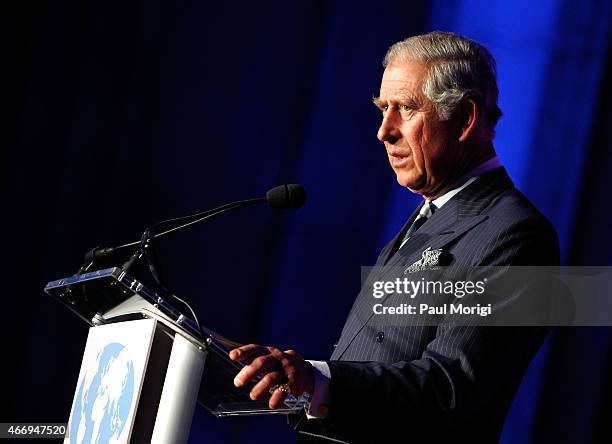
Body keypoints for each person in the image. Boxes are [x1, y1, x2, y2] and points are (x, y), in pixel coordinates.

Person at [229, 31, 559, 443]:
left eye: (405, 108)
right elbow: (377, 356)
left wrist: (322, 382)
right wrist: (302, 382)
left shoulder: (518, 234)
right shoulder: (429, 214)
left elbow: (450, 387)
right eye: (383, 109)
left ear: (465, 119)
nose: (384, 131)